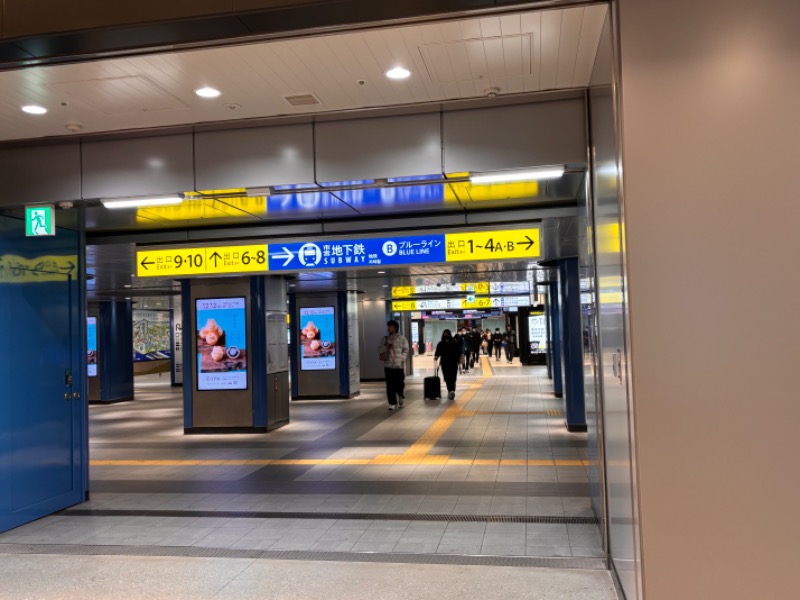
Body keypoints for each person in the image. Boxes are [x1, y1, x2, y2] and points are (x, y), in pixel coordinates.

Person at [378, 320, 409, 410]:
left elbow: (406, 350)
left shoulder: (402, 339)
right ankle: (392, 403)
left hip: (398, 366)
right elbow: (379, 349)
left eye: (390, 327)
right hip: (388, 366)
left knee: (399, 384)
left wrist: (402, 358)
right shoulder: (385, 339)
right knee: (390, 385)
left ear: (395, 328)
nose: (388, 328)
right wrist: (386, 347)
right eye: (388, 327)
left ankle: (400, 395)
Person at [434, 329, 461, 400]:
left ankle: (452, 391)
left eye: (447, 334)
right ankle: (450, 390)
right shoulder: (441, 344)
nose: (446, 336)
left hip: (453, 363)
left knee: (452, 378)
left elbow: (458, 352)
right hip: (444, 363)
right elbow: (438, 351)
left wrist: (458, 359)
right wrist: (436, 356)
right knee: (447, 378)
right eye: (445, 334)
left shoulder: (454, 343)